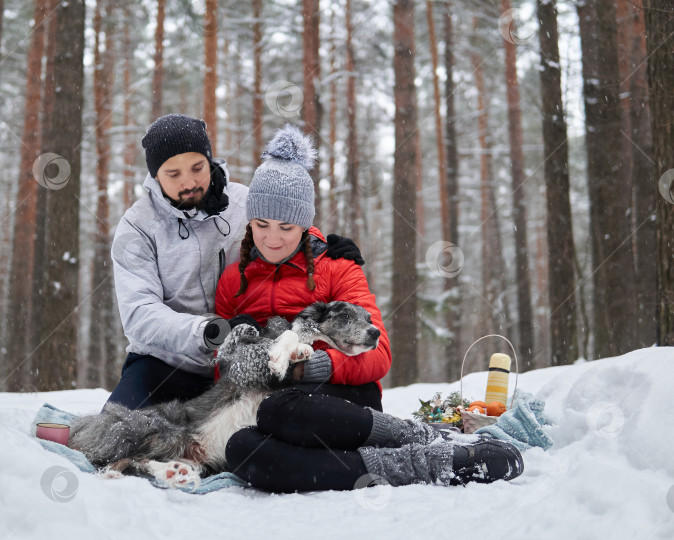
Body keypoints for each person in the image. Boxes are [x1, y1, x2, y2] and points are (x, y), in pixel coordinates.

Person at [216, 125, 524, 492]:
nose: (272, 238)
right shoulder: (233, 280)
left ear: (304, 224)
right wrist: (240, 349)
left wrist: (313, 367)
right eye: (261, 224)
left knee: (279, 410)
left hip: (341, 401)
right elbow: (222, 374)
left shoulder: (338, 266)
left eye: (286, 226)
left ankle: (423, 442)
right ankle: (409, 466)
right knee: (241, 449)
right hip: (268, 404)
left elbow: (380, 354)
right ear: (249, 221)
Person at [107, 114, 362, 410]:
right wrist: (211, 331)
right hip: (164, 362)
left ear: (209, 159)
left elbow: (283, 228)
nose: (188, 182)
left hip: (243, 360)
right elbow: (140, 314)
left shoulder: (243, 202)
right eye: (173, 174)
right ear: (155, 176)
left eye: (197, 167)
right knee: (118, 434)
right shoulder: (137, 227)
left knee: (238, 446)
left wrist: (322, 246)